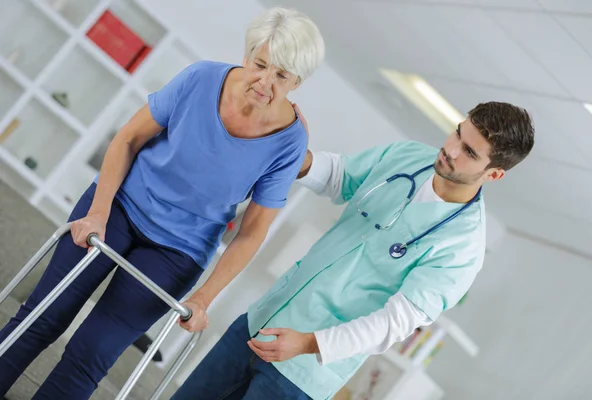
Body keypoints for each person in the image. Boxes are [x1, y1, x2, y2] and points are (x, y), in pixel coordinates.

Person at [0, 7, 324, 399]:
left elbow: (253, 231)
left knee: (91, 354)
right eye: (260, 64)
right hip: (118, 208)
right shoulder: (201, 79)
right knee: (43, 315)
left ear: (298, 83)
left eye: (282, 76)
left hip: (177, 251)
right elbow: (128, 139)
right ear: (247, 53)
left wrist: (204, 297)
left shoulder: (289, 142)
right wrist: (98, 212)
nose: (264, 81)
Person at [172, 101, 535, 400]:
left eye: (469, 152)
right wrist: (295, 155)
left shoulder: (462, 247)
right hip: (262, 322)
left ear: (495, 173)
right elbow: (342, 176)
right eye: (458, 132)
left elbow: (393, 324)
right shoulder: (409, 157)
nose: (451, 149)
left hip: (304, 371)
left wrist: (311, 343)